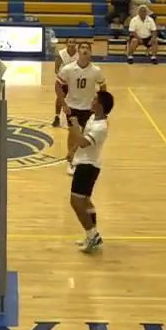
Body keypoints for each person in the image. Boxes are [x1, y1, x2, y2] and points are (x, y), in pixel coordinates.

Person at [69, 90, 113, 254]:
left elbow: (82, 141)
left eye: (95, 99)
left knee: (76, 202)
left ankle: (92, 235)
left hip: (88, 167)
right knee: (86, 201)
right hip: (85, 163)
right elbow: (82, 140)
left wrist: (73, 127)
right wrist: (72, 151)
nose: (92, 100)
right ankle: (91, 235)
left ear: (100, 106)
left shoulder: (101, 127)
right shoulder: (93, 118)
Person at [57, 45, 107, 174]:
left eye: (88, 48)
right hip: (72, 106)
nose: (85, 50)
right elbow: (58, 85)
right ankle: (70, 162)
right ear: (78, 51)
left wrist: (101, 107)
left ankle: (77, 157)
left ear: (90, 52)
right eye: (82, 48)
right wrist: (64, 104)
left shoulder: (96, 70)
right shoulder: (68, 69)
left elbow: (103, 87)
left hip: (88, 108)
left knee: (84, 134)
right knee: (73, 133)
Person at [52, 39, 78, 127]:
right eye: (70, 42)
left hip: (74, 81)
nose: (71, 44)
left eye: (73, 42)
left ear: (75, 44)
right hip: (63, 80)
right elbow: (56, 68)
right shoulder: (61, 53)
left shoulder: (79, 54)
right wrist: (62, 77)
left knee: (74, 100)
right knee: (60, 98)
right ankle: (57, 117)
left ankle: (72, 119)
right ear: (66, 44)